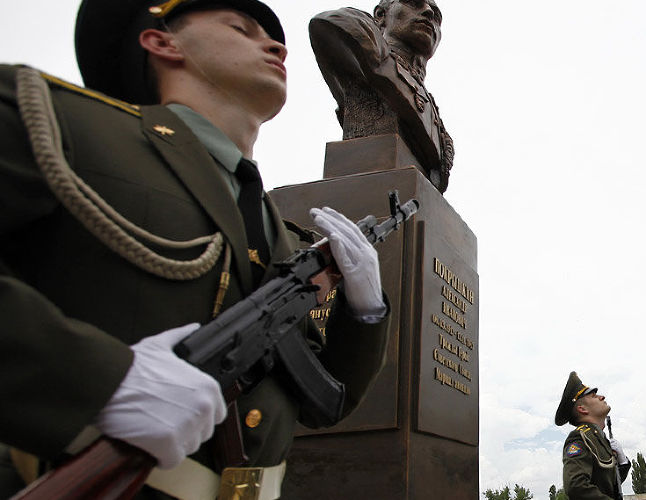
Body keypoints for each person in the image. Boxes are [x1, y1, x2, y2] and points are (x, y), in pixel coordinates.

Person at [0, 0, 391, 498]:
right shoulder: (57, 122)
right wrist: (98, 379)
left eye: (272, 37)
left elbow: (323, 402)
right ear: (162, 42)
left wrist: (365, 309)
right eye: (241, 29)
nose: (277, 46)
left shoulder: (279, 232)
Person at [309, 0, 454, 193]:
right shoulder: (374, 57)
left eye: (437, 16)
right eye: (413, 3)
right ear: (380, 16)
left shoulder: (436, 119)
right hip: (365, 190)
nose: (428, 13)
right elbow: (327, 21)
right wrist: (374, 44)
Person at [555, 372, 631, 500]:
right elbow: (576, 486)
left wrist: (623, 463)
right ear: (582, 409)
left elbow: (609, 486)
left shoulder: (599, 440)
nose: (602, 397)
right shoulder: (580, 438)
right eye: (594, 396)